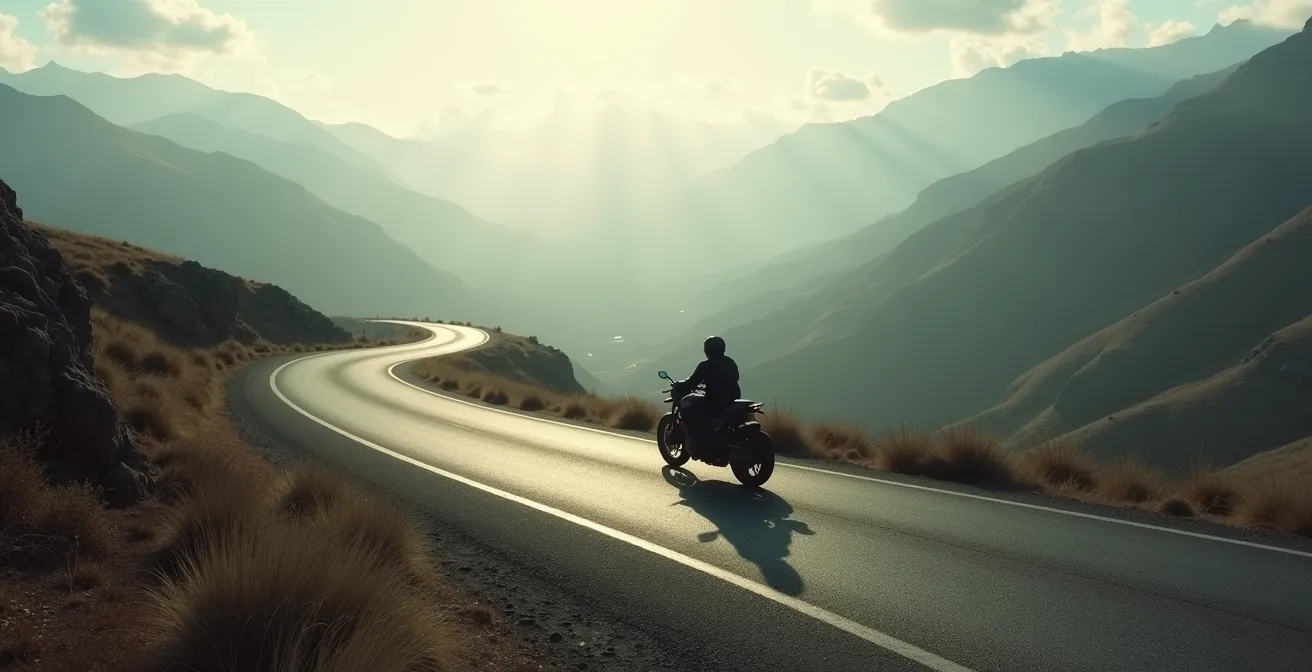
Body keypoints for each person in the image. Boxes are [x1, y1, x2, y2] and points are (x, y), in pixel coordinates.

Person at [676, 336, 740, 454]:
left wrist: (679, 385)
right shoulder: (730, 362)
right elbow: (736, 377)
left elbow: (692, 382)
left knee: (691, 411)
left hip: (715, 400)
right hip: (733, 398)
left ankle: (702, 444)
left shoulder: (705, 365)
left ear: (707, 350)